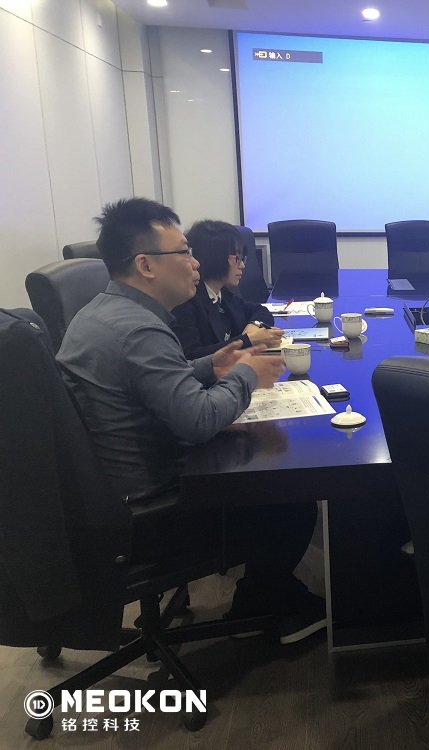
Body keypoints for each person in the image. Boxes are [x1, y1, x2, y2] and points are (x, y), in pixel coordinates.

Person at [57, 198, 325, 644]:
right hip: (148, 516)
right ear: (146, 265)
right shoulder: (140, 330)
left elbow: (148, 381)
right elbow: (198, 421)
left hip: (107, 499)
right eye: (184, 252)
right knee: (290, 502)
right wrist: (245, 372)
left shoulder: (102, 313)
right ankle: (262, 605)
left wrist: (209, 366)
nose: (196, 262)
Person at [171, 219, 283, 359]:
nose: (242, 265)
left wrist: (253, 326)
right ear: (215, 257)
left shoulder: (221, 293)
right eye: (237, 259)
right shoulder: (186, 301)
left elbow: (260, 311)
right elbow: (192, 357)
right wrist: (248, 340)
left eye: (243, 259)